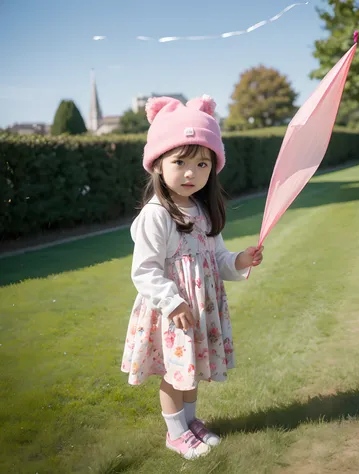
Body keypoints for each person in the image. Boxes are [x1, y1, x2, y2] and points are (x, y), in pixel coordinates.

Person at [121, 95, 264, 460]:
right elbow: (145, 270)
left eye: (202, 164)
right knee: (174, 373)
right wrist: (172, 302)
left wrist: (241, 259)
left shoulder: (201, 209)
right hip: (174, 312)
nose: (191, 173)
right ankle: (175, 434)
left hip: (199, 309)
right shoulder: (157, 215)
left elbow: (217, 258)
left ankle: (190, 421)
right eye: (180, 161)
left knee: (192, 369)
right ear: (157, 164)